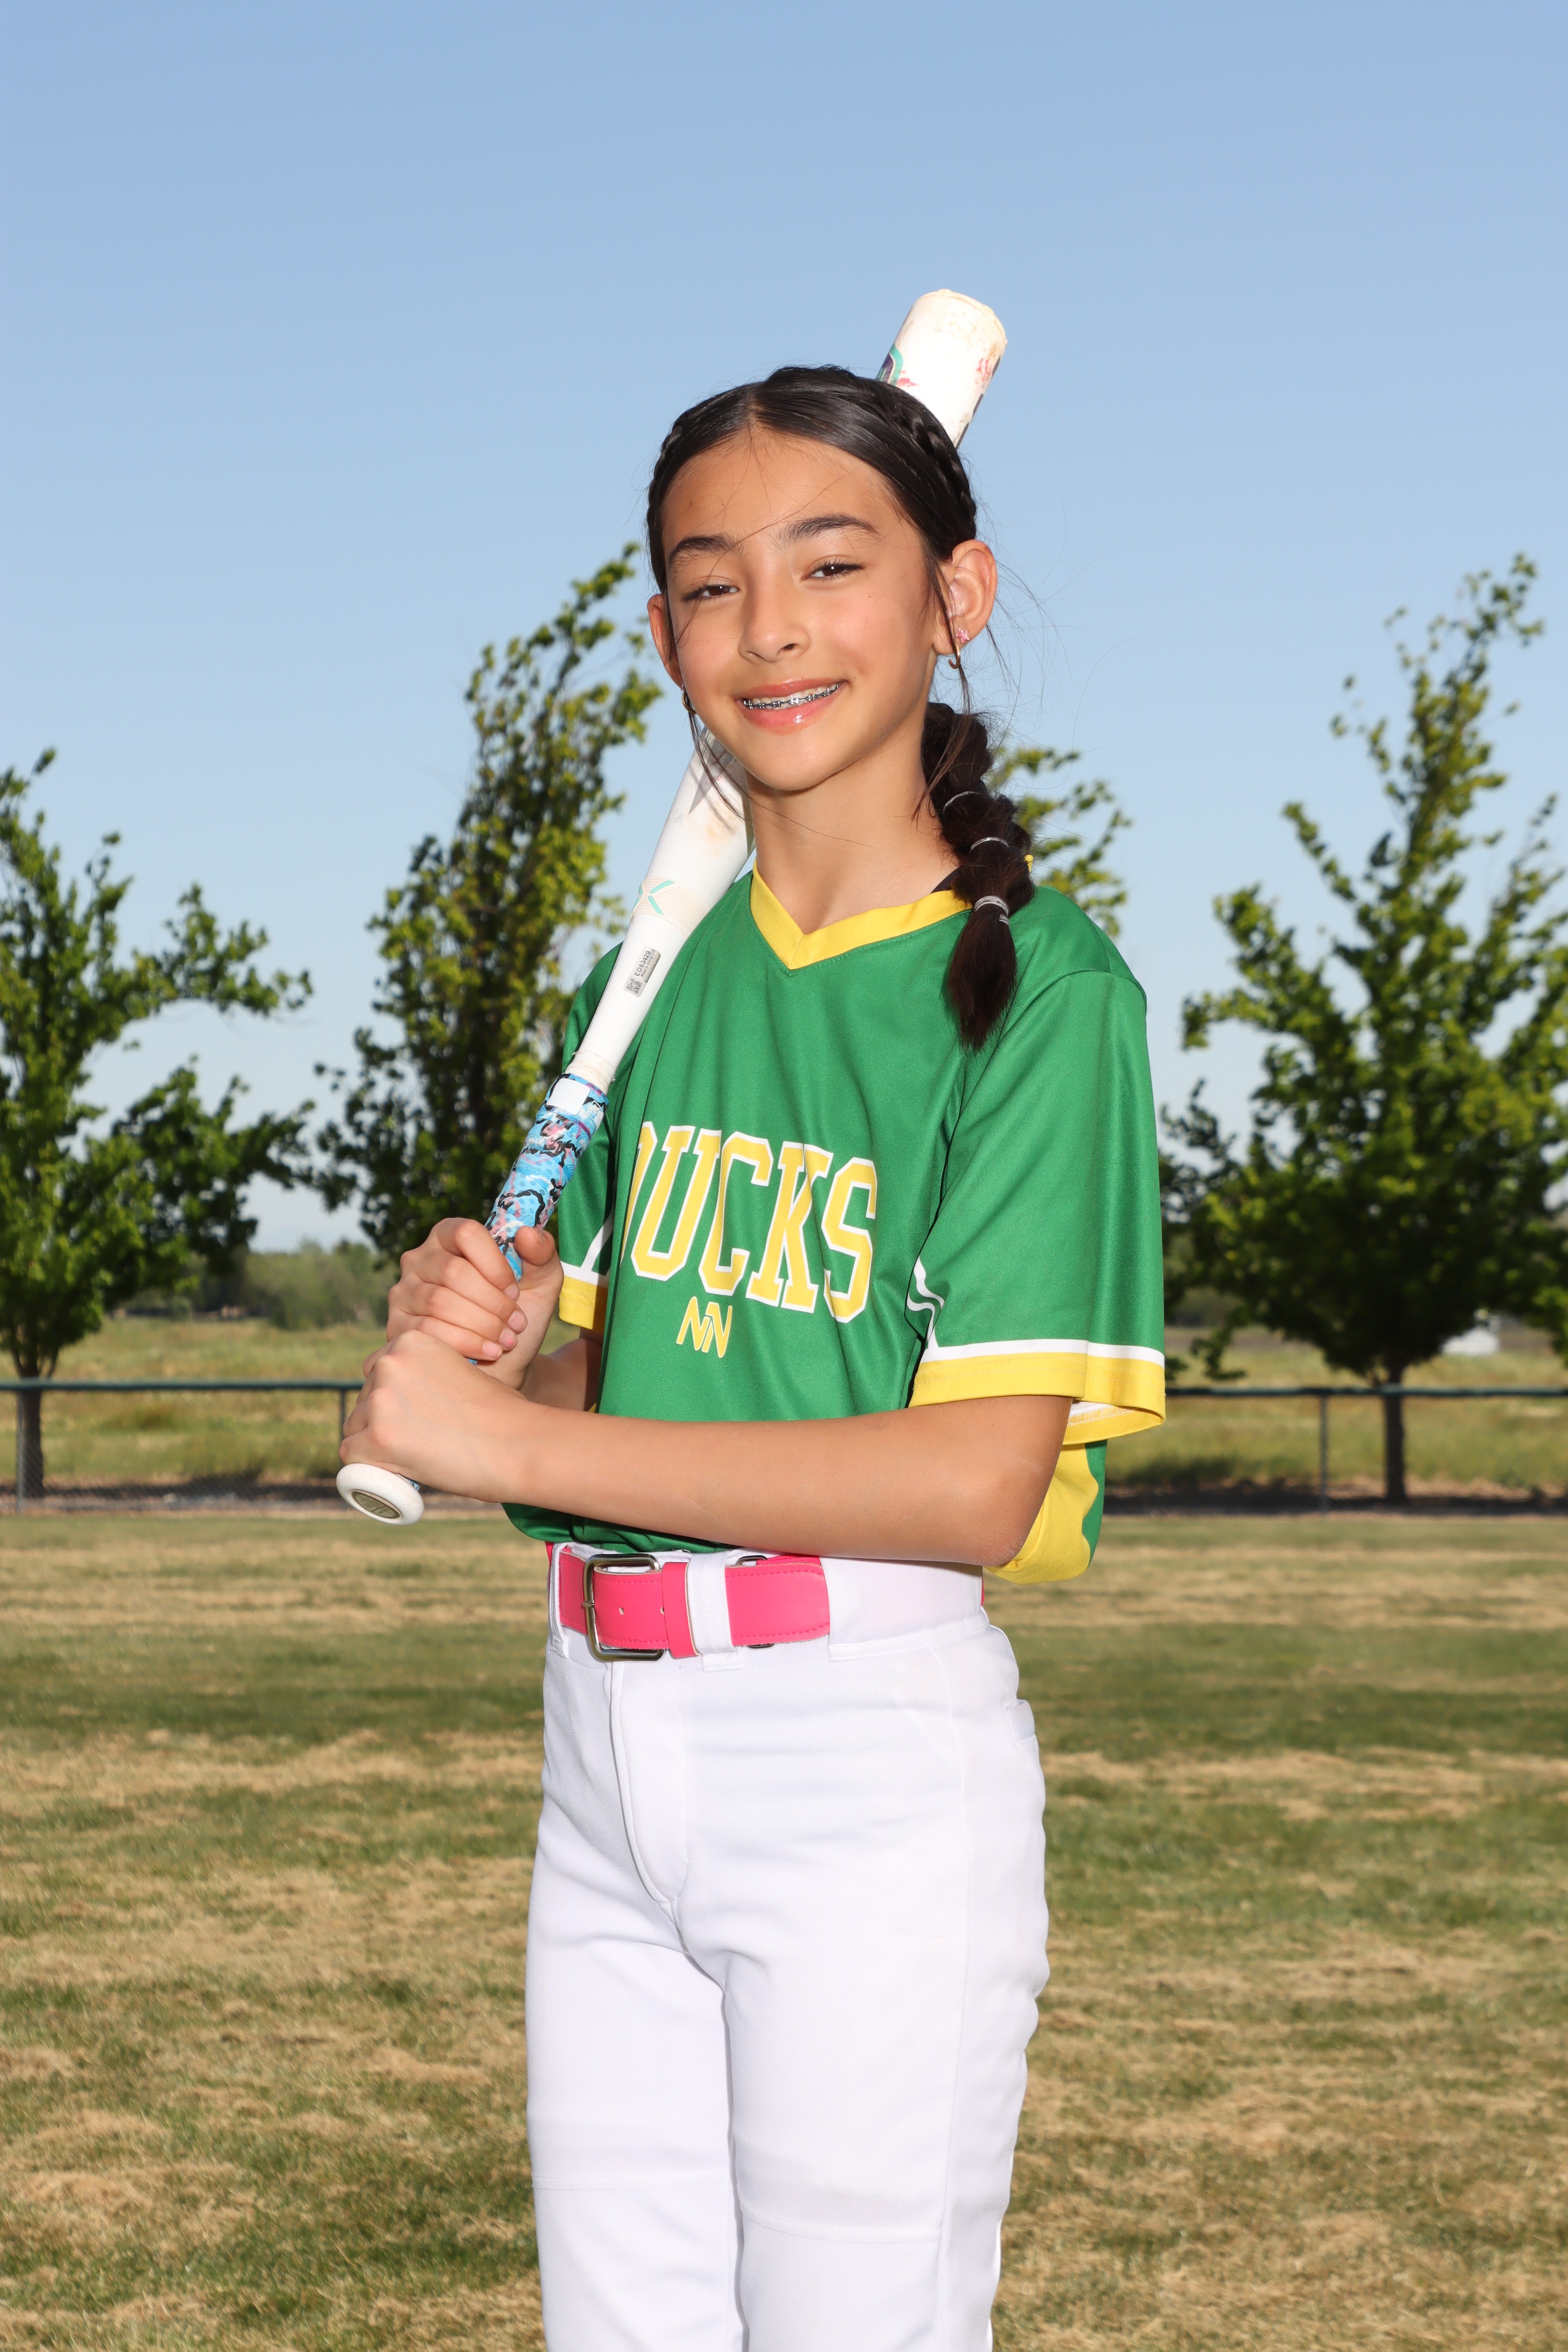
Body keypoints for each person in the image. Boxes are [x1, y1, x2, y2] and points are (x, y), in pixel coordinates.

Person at [341, 365, 1165, 2352]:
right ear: (662, 636)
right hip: (601, 1747)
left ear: (956, 595)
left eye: (832, 564)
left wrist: (497, 1444)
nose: (771, 629)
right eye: (713, 584)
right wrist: (502, 1362)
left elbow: (968, 1486)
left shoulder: (1044, 999)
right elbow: (612, 1395)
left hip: (856, 1755)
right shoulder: (660, 982)